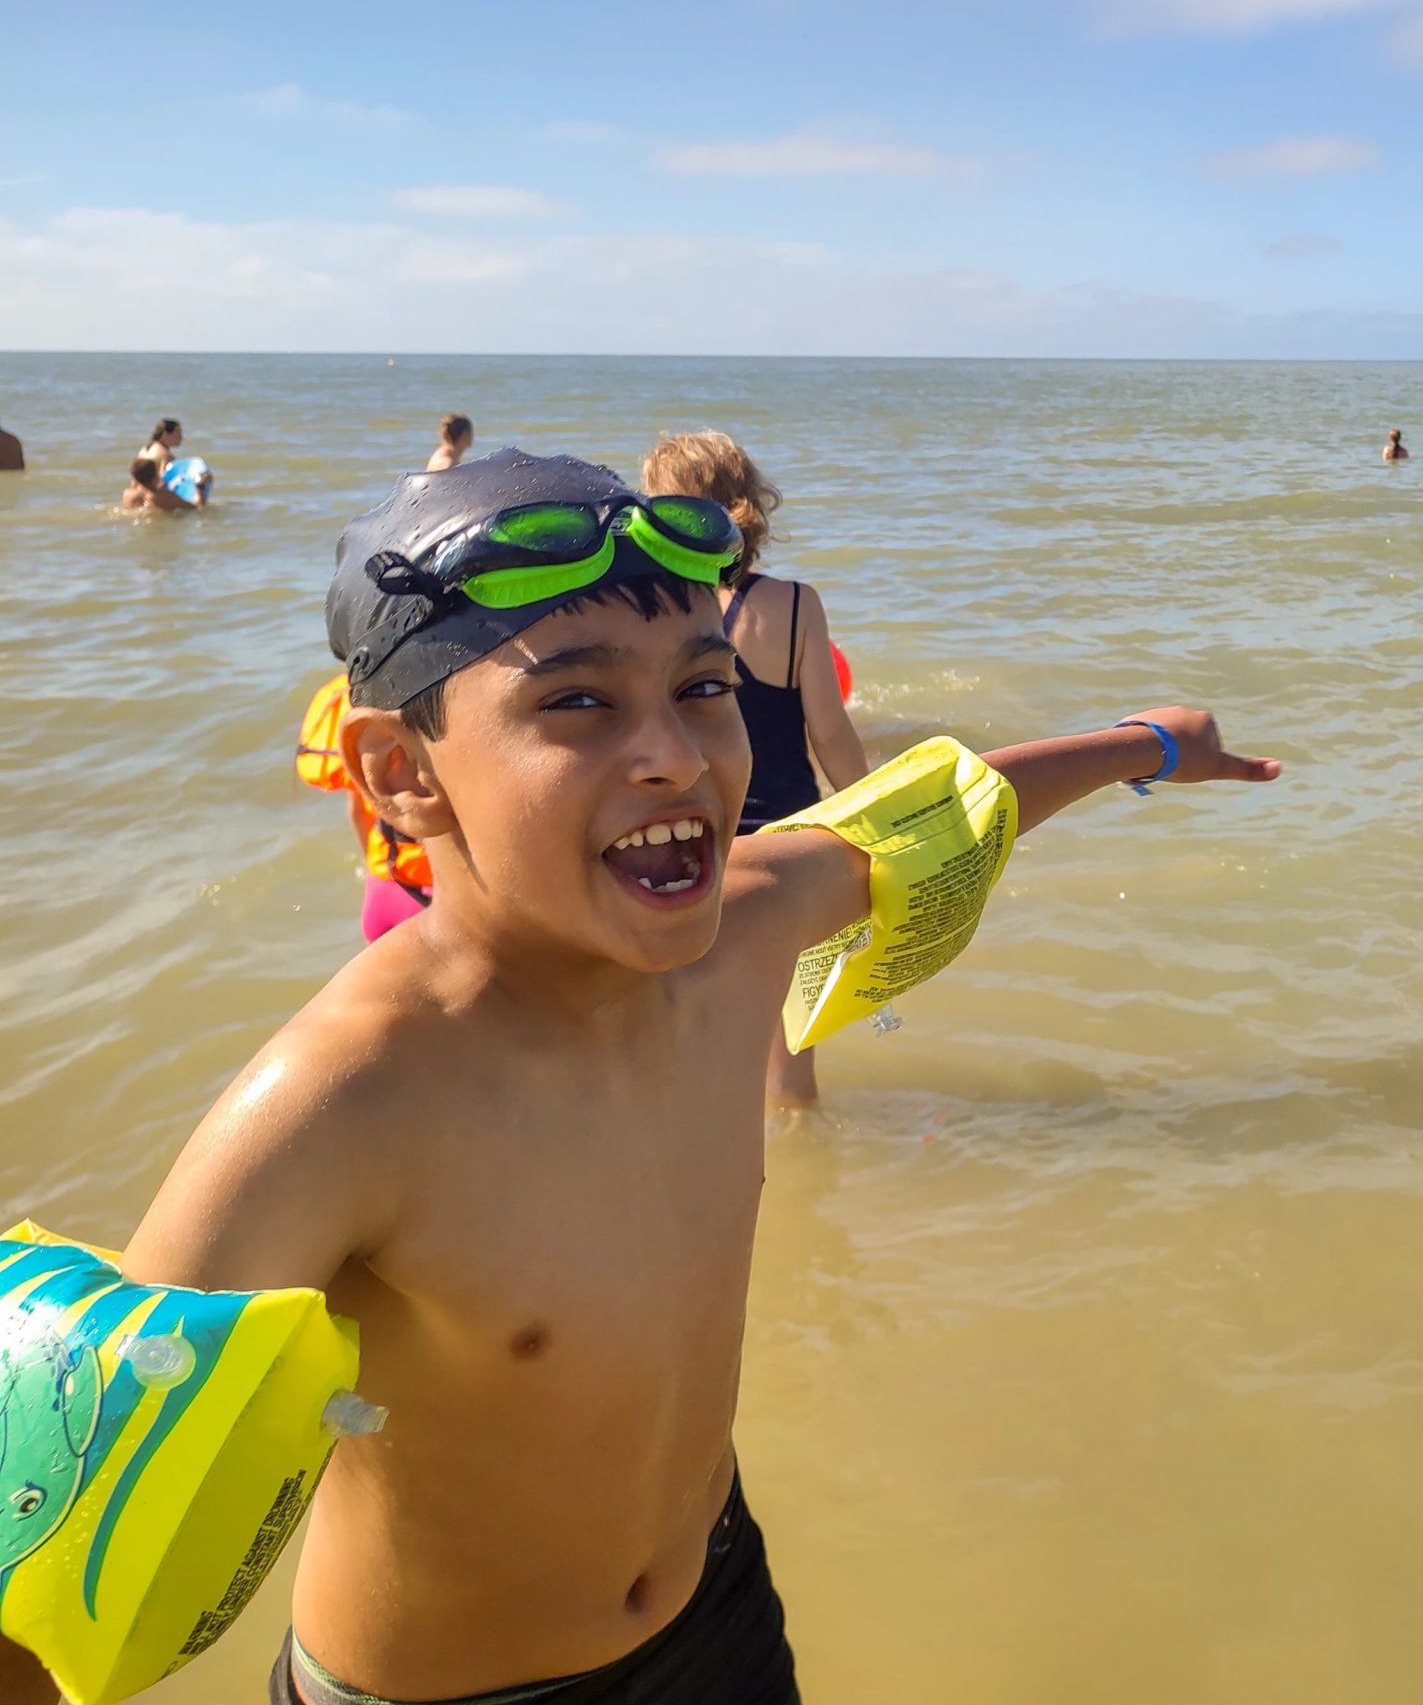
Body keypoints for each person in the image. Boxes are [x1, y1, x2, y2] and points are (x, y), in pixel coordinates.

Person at [0, 449, 1281, 1705]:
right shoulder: (350, 1098)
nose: (676, 755)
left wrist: (1143, 748)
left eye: (704, 687)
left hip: (717, 1612)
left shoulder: (739, 942)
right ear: (402, 774)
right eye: (578, 703)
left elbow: (922, 822)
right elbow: (69, 1508)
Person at [641, 431, 870, 1111]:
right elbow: (829, 733)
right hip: (791, 846)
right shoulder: (796, 607)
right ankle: (802, 1175)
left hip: (694, 843)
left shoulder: (655, 612)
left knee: (688, 1032)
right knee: (791, 1052)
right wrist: (872, 823)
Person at [296, 674, 436, 942]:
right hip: (430, 893)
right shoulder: (415, 698)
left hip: (382, 890)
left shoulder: (350, 707)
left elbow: (357, 813)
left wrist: (376, 867)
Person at [118, 454, 197, 514]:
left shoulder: (127, 494)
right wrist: (200, 487)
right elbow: (196, 507)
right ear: (154, 477)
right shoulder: (162, 496)